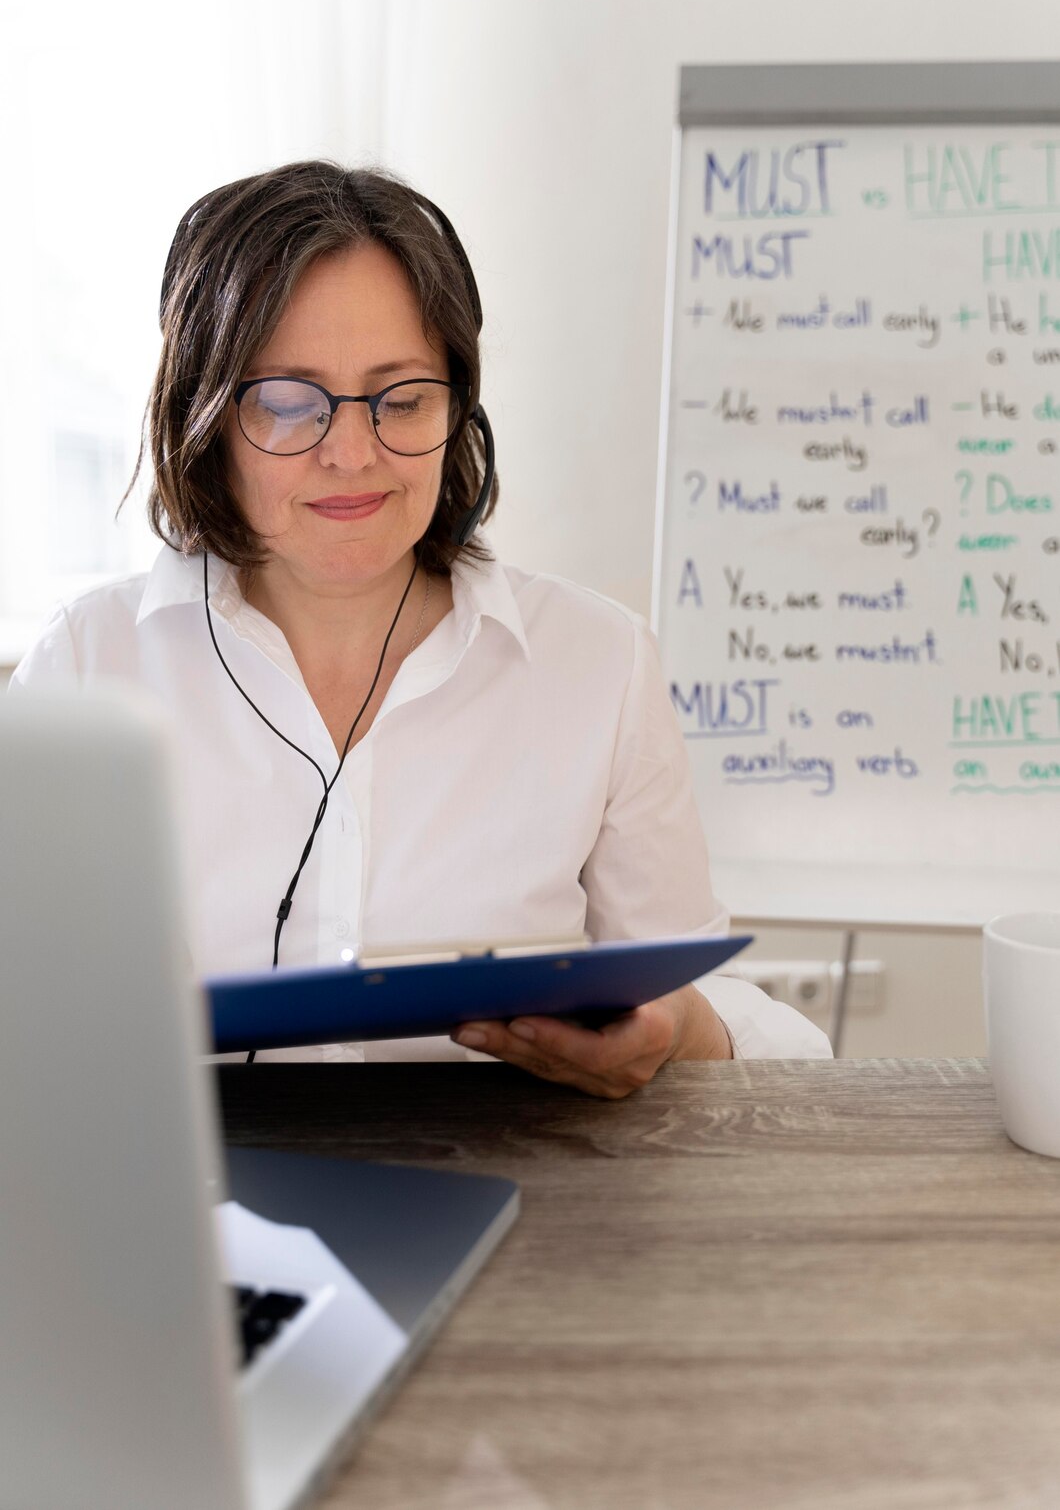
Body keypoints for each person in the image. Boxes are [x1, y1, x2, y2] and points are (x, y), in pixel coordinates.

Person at [11, 161, 831, 1092]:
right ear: (205, 416)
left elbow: (703, 1003)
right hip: (179, 1178)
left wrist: (678, 1028)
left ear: (458, 406)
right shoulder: (86, 667)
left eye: (401, 400)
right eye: (288, 402)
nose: (352, 454)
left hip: (523, 1177)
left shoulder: (598, 664)